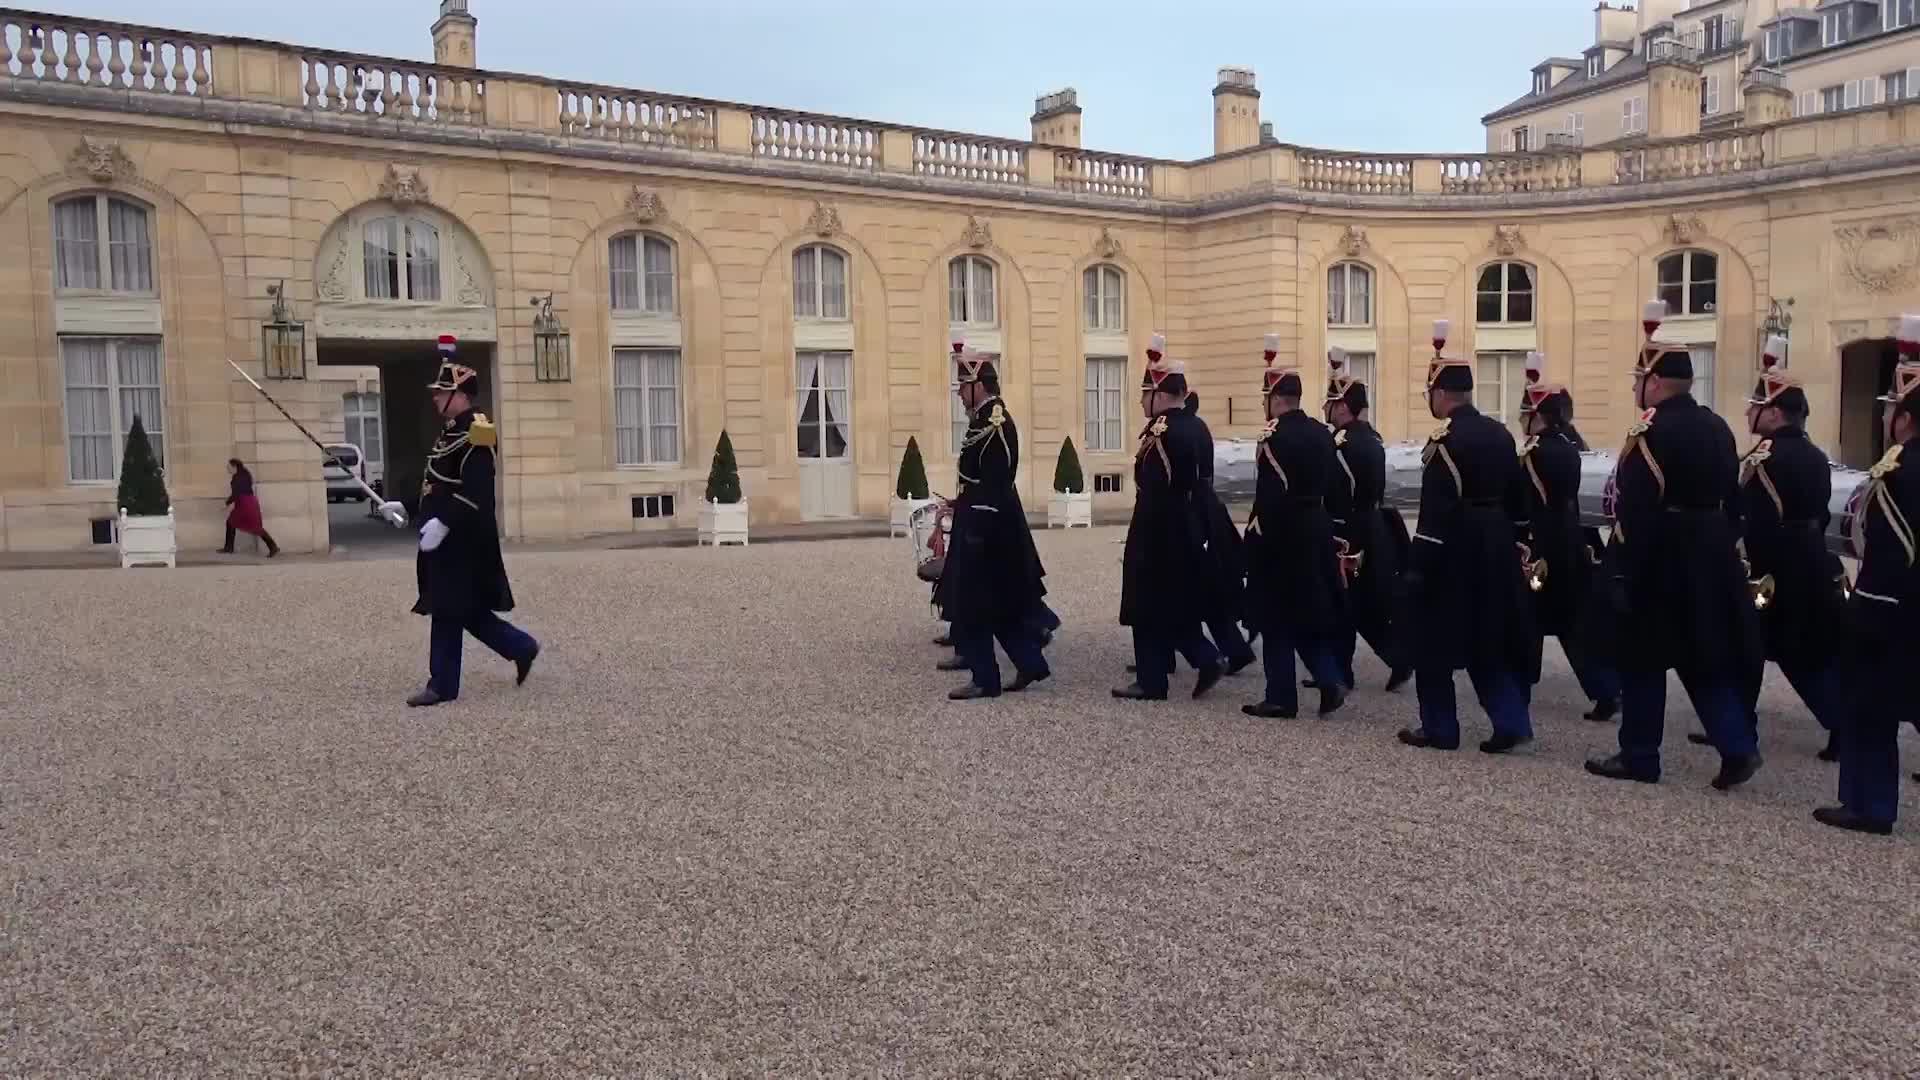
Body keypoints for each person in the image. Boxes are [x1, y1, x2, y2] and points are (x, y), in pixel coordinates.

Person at [1585, 322, 1763, 790]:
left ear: (1655, 382)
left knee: (1641, 660)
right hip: (1711, 551)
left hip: (1662, 556)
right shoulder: (1717, 426)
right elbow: (1734, 497)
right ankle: (1737, 744)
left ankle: (1639, 755)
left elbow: (1637, 507)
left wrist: (1622, 570)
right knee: (1702, 656)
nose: (1633, 388)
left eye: (1637, 379)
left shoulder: (1650, 432)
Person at [382, 336, 539, 708]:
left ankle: (442, 685)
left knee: (448, 607)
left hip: (463, 540)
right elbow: (435, 485)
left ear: (461, 396)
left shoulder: (476, 435)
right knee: (461, 609)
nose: (435, 398)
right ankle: (521, 646)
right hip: (444, 537)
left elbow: (477, 493)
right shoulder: (450, 434)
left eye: (442, 392)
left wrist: (443, 524)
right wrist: (402, 506)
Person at [1397, 346, 1536, 755]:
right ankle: (1511, 719)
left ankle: (1440, 728)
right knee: (1487, 636)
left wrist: (1419, 564)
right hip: (1496, 541)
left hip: (1456, 545)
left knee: (1433, 641)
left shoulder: (1444, 441)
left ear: (1441, 393)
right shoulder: (1500, 434)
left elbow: (1435, 509)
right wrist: (1520, 540)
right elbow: (1518, 498)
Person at [1814, 347, 1920, 835]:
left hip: (1889, 607)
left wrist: (1866, 611)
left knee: (1870, 708)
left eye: (1891, 408)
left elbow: (1887, 551)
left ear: (1905, 418)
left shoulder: (1898, 472)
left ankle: (1869, 804)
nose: (1885, 417)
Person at [1737, 342, 1850, 762]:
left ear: (1774, 412)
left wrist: (1751, 569)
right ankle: (1738, 724)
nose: (1749, 414)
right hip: (1813, 557)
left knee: (1772, 649)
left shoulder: (1763, 459)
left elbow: (1754, 518)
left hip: (1774, 567)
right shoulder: (1817, 456)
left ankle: (1738, 727)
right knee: (1807, 650)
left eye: (1755, 407)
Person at [939, 340, 1051, 700]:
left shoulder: (996, 422)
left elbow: (997, 480)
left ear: (979, 385)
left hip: (984, 529)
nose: (959, 393)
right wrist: (961, 502)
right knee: (996, 606)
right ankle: (1030, 662)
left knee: (970, 605)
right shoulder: (983, 420)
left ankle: (985, 679)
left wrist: (977, 526)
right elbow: (978, 479)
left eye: (962, 386)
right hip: (977, 519)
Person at [1241, 340, 1347, 719]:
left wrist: (1254, 540)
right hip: (1316, 526)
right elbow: (1334, 486)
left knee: (1275, 618)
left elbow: (1269, 496)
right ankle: (1330, 679)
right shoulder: (1323, 433)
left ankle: (1281, 696)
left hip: (1283, 533)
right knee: (1307, 612)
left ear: (1274, 398)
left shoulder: (1273, 437)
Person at [1510, 361, 1620, 722]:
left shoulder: (1533, 453)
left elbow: (1523, 503)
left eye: (1527, 412)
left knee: (1527, 623)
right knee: (1574, 627)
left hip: (1541, 546)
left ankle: (1517, 693)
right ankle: (1604, 689)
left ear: (1538, 416)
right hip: (1572, 540)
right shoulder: (1570, 448)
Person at [1116, 336, 1223, 701]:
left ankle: (1152, 680)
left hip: (1158, 525)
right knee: (1175, 604)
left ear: (1160, 394)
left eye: (1146, 393)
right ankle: (1204, 657)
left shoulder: (1161, 430)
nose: (1141, 401)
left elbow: (1158, 485)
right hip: (1190, 523)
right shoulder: (1197, 426)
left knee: (1145, 604)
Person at [1320, 347, 1411, 693]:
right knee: (1365, 601)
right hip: (1373, 523)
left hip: (1349, 529)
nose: (1327, 410)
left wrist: (1337, 533)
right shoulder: (1371, 437)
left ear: (1343, 406)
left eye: (1331, 404)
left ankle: (1350, 669)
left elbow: (1337, 492)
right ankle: (1351, 666)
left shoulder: (1342, 445)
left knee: (1347, 603)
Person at [1186, 390, 1257, 675]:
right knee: (1208, 591)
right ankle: (1234, 650)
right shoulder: (1199, 428)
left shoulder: (1182, 430)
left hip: (1195, 514)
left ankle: (1219, 653)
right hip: (1208, 510)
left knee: (1193, 590)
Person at [219, 458, 280, 557]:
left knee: (255, 527)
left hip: (246, 504)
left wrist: (227, 503)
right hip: (245, 502)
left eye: (229, 467)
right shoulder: (242, 474)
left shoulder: (239, 477)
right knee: (231, 522)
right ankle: (228, 547)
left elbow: (236, 493)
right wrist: (228, 503)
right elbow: (237, 493)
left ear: (234, 467)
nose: (227, 469)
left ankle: (273, 547)